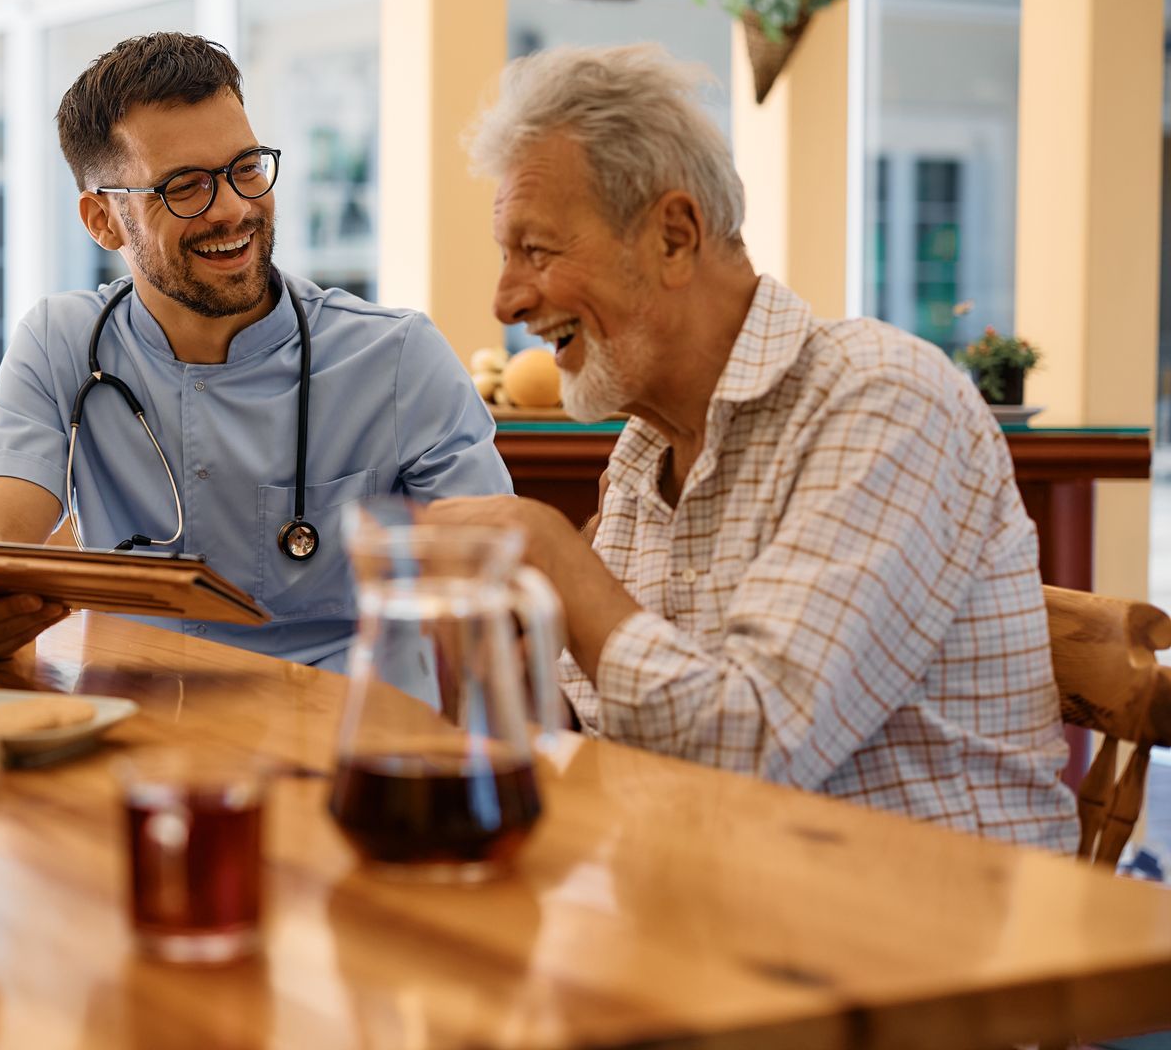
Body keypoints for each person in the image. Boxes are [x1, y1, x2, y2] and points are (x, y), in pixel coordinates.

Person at [426, 43, 1076, 850]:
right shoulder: (642, 450)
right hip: (724, 902)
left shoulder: (880, 400)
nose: (508, 297)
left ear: (673, 236)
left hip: (941, 932)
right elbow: (606, 740)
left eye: (538, 250)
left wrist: (554, 555)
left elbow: (749, 749)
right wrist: (490, 658)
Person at [0, 32, 511, 667]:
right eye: (185, 186)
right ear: (101, 220)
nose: (232, 209)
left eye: (246, 168)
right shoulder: (60, 341)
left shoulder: (399, 359)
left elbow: (497, 585)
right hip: (133, 731)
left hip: (347, 734)